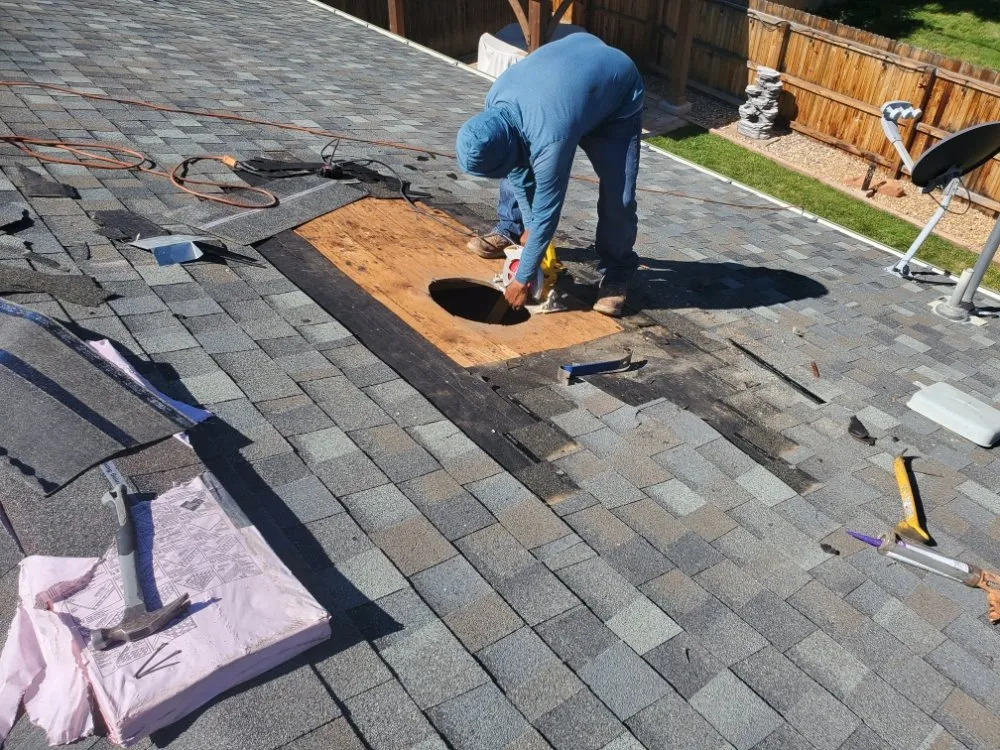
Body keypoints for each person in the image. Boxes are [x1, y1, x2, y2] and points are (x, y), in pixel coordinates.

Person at [457, 32, 644, 317]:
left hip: (616, 97)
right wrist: (530, 224)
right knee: (515, 162)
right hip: (573, 85)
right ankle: (512, 228)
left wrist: (522, 280)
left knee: (620, 194)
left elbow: (548, 211)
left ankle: (617, 271)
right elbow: (517, 170)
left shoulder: (550, 138)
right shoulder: (495, 101)